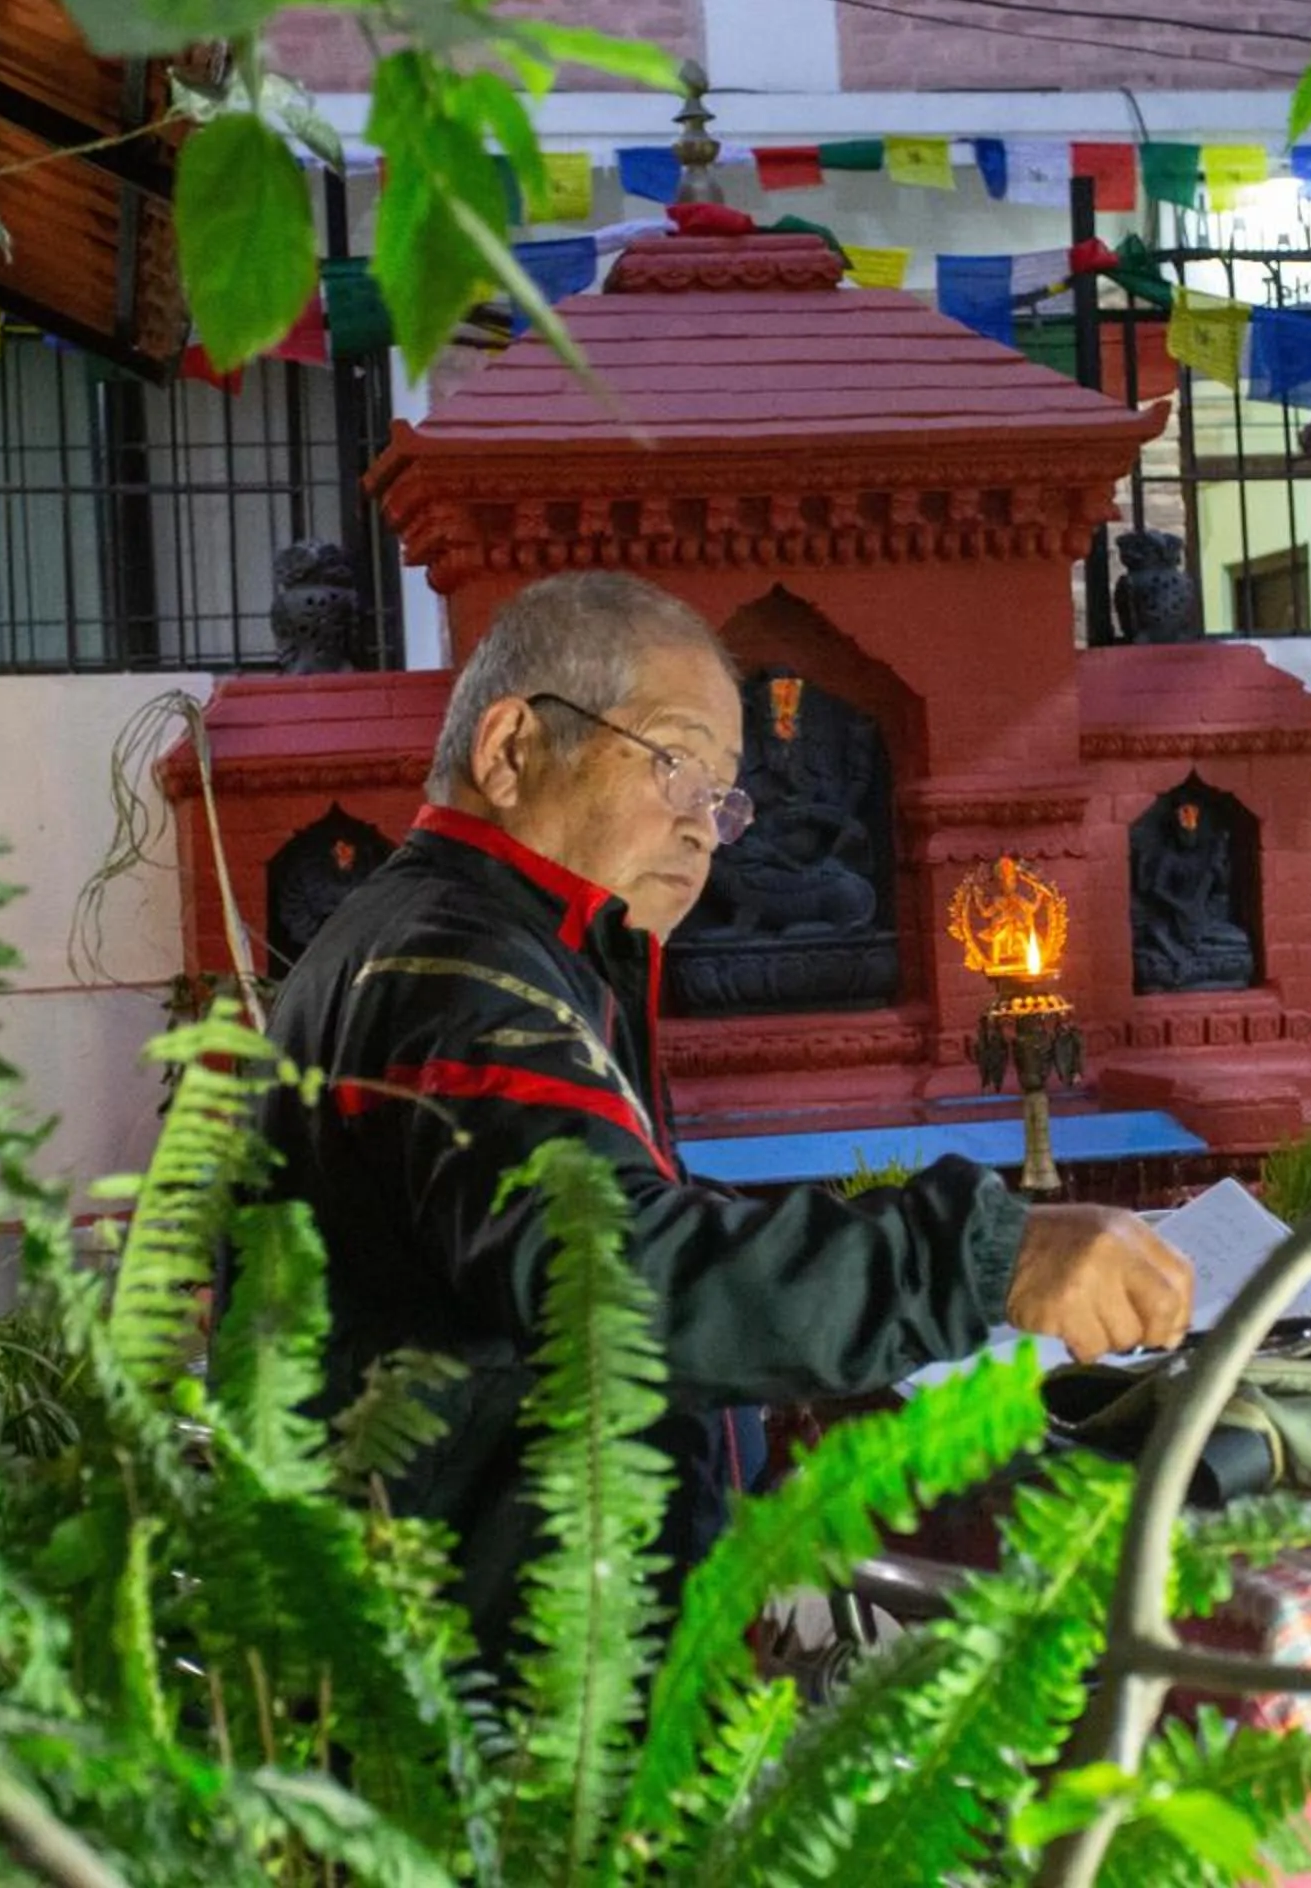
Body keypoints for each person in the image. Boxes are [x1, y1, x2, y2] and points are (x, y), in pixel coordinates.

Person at [257, 572, 1195, 1659]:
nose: (707, 829)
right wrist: (985, 1255)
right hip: (480, 1698)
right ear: (511, 747)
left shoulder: (499, 946)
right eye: (673, 765)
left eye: (724, 795)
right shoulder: (457, 971)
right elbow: (614, 1283)